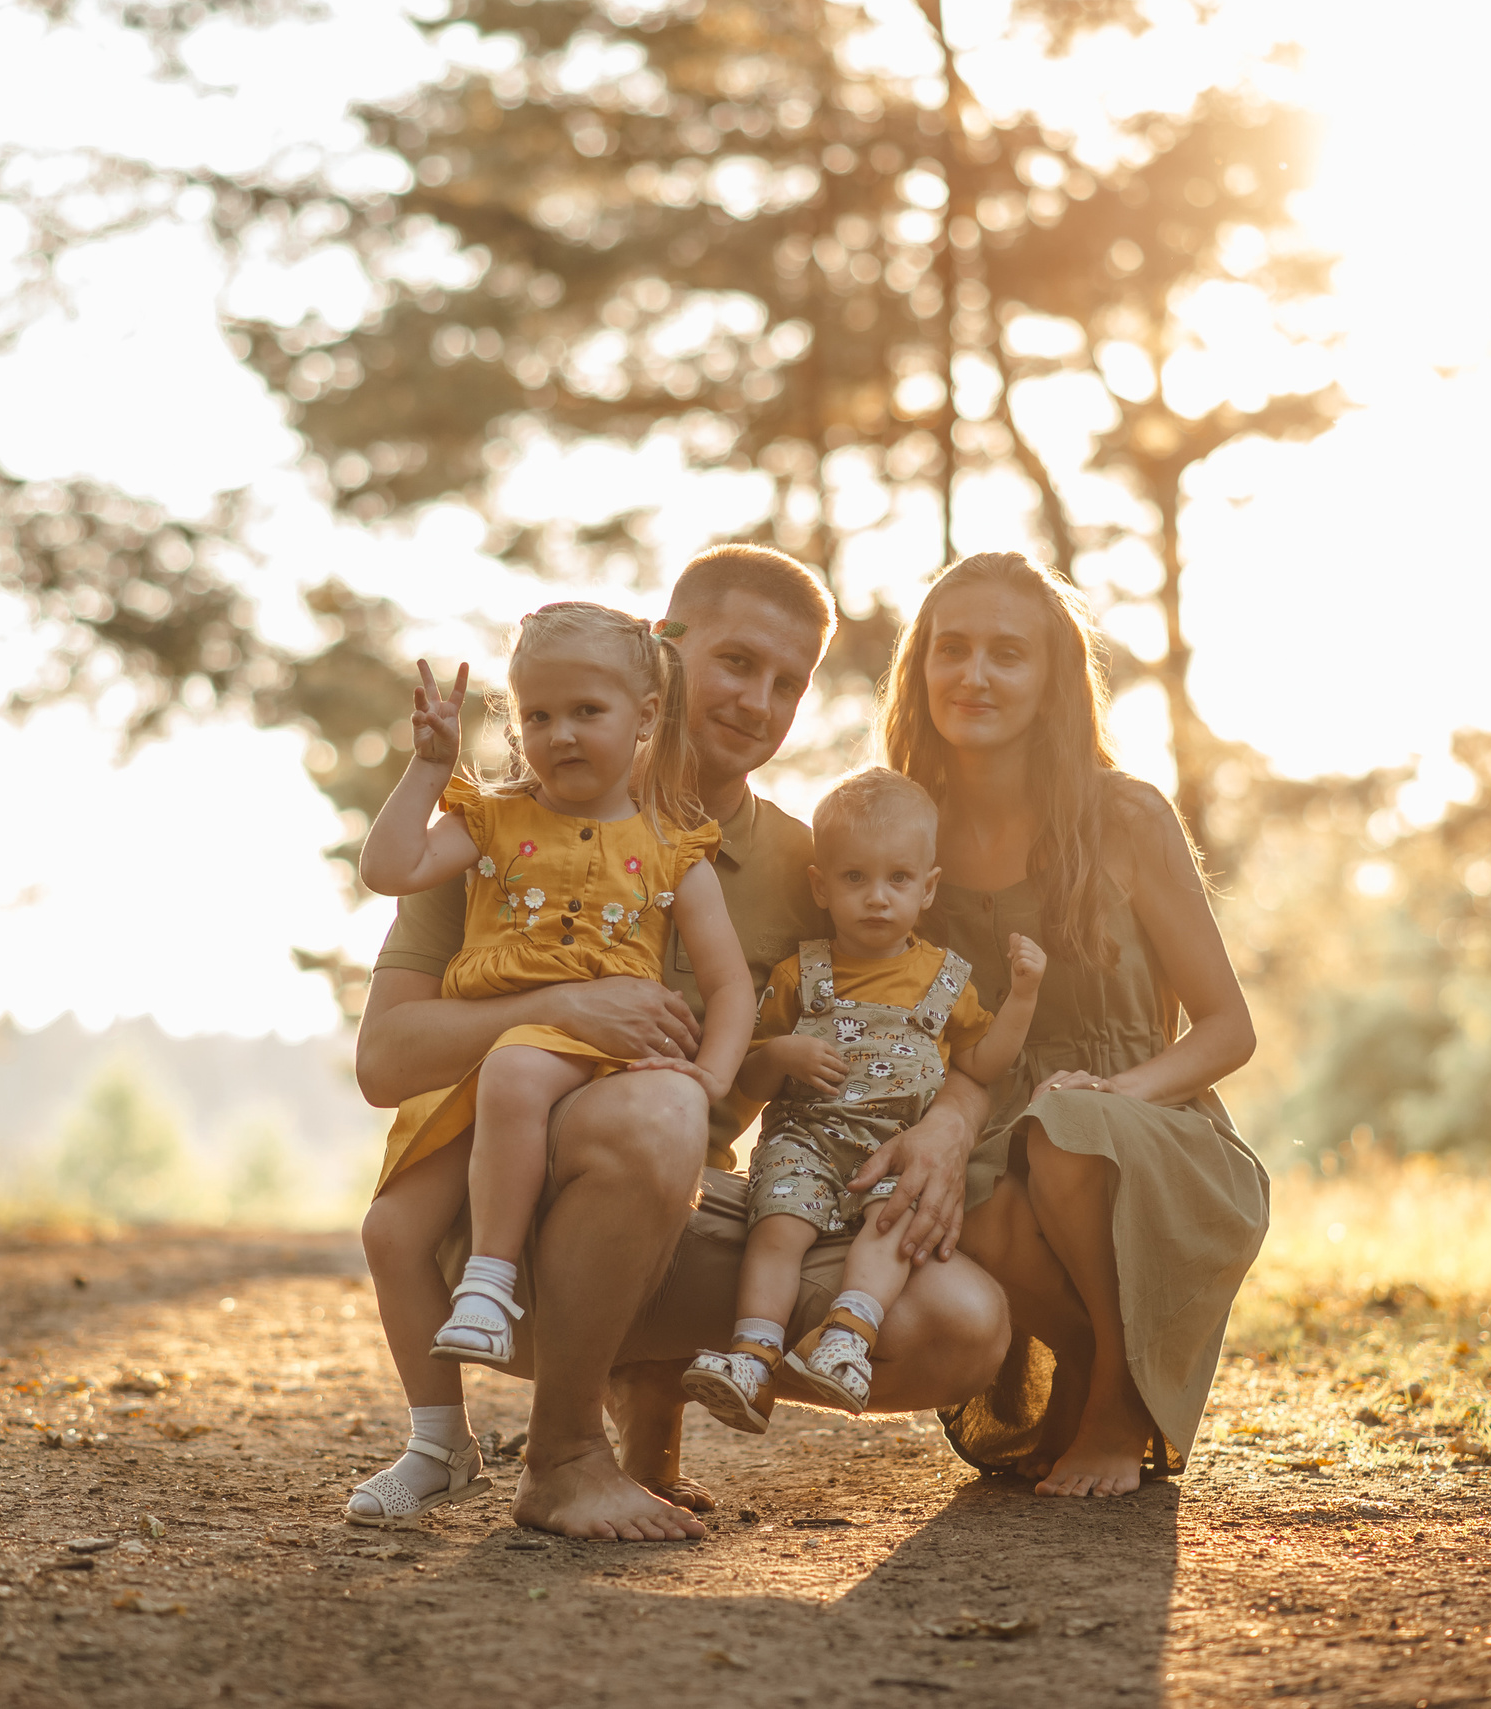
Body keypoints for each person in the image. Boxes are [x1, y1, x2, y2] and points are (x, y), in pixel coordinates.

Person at [354, 545, 1010, 1539]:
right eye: (738, 662)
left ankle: (642, 1373)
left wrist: (952, 1121)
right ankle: (563, 1454)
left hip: (681, 1221)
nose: (759, 701)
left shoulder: (807, 865)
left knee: (960, 1318)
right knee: (659, 1105)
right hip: (492, 1248)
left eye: (788, 683)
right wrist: (567, 1010)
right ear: (663, 651)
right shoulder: (508, 818)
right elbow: (385, 1058)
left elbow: (917, 1008)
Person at [347, 604, 755, 1526]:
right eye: (536, 717)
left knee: (522, 1072)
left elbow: (730, 988)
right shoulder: (490, 822)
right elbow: (390, 865)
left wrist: (711, 1078)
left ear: (646, 713)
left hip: (591, 1069)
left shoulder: (670, 846)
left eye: (586, 712)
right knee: (389, 1235)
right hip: (488, 1067)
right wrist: (426, 769)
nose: (559, 734)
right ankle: (438, 1443)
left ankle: (491, 1276)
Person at [875, 552, 1271, 1498]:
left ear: (1053, 679)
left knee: (1065, 1128)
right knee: (944, 1193)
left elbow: (1229, 1028)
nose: (974, 675)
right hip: (988, 1123)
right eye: (952, 649)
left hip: (1148, 1127)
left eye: (1007, 653)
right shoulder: (904, 829)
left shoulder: (1125, 814)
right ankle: (1107, 1364)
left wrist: (1112, 1090)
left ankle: (1117, 1411)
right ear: (919, 668)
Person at [683, 767, 1045, 1431]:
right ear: (821, 885)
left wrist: (1021, 997)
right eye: (855, 879)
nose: (876, 898)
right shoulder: (802, 971)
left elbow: (984, 1061)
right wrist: (781, 1054)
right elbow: (745, 1070)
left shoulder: (944, 979)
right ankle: (753, 1353)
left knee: (892, 1231)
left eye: (897, 880)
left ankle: (848, 1334)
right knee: (776, 1232)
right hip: (807, 1142)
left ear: (926, 887)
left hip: (893, 1152)